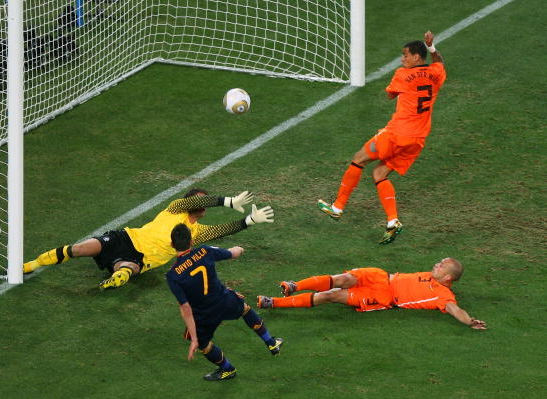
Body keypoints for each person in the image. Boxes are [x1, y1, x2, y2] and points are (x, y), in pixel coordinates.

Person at [318, 31, 446, 244]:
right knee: (379, 173)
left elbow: (389, 94)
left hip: (397, 134)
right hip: (417, 140)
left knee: (359, 158)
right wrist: (432, 47)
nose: (402, 59)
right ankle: (392, 221)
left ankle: (337, 207)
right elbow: (440, 62)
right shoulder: (436, 72)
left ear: (416, 57)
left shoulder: (402, 74)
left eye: (405, 55)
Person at [23, 188, 274, 289]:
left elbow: (222, 231)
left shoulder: (197, 233)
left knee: (127, 270)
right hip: (126, 238)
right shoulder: (176, 207)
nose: (202, 205)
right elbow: (197, 200)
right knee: (79, 249)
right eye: (199, 200)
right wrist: (228, 201)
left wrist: (249, 221)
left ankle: (115, 278)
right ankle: (31, 265)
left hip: (142, 259)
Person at [166, 224, 283, 381]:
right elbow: (233, 253)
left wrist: (194, 339)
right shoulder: (204, 251)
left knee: (204, 344)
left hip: (203, 314)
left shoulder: (173, 275)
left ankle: (227, 369)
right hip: (224, 300)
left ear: (172, 244)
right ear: (191, 241)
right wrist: (240, 248)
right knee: (245, 309)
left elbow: (185, 308)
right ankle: (271, 342)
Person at [257, 257, 487, 330]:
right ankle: (294, 285)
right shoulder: (431, 275)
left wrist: (469, 321)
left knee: (333, 294)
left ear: (448, 278)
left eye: (441, 266)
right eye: (439, 262)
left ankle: (274, 303)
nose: (436, 265)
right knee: (343, 279)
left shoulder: (442, 295)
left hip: (383, 297)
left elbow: (454, 309)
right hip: (381, 276)